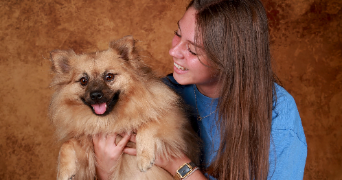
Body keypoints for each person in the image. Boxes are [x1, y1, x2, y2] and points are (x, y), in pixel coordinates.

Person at [93, 0, 307, 179]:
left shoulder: (278, 118)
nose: (173, 51)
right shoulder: (161, 94)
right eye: (177, 33)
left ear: (229, 61)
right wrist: (105, 168)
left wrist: (177, 162)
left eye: (193, 50)